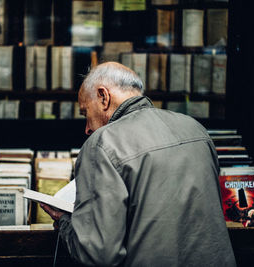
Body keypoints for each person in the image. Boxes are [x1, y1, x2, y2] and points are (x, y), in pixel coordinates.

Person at [40, 62, 236, 266]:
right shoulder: (196, 130)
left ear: (103, 97)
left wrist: (64, 222)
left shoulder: (102, 143)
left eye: (85, 113)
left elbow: (98, 254)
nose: (87, 128)